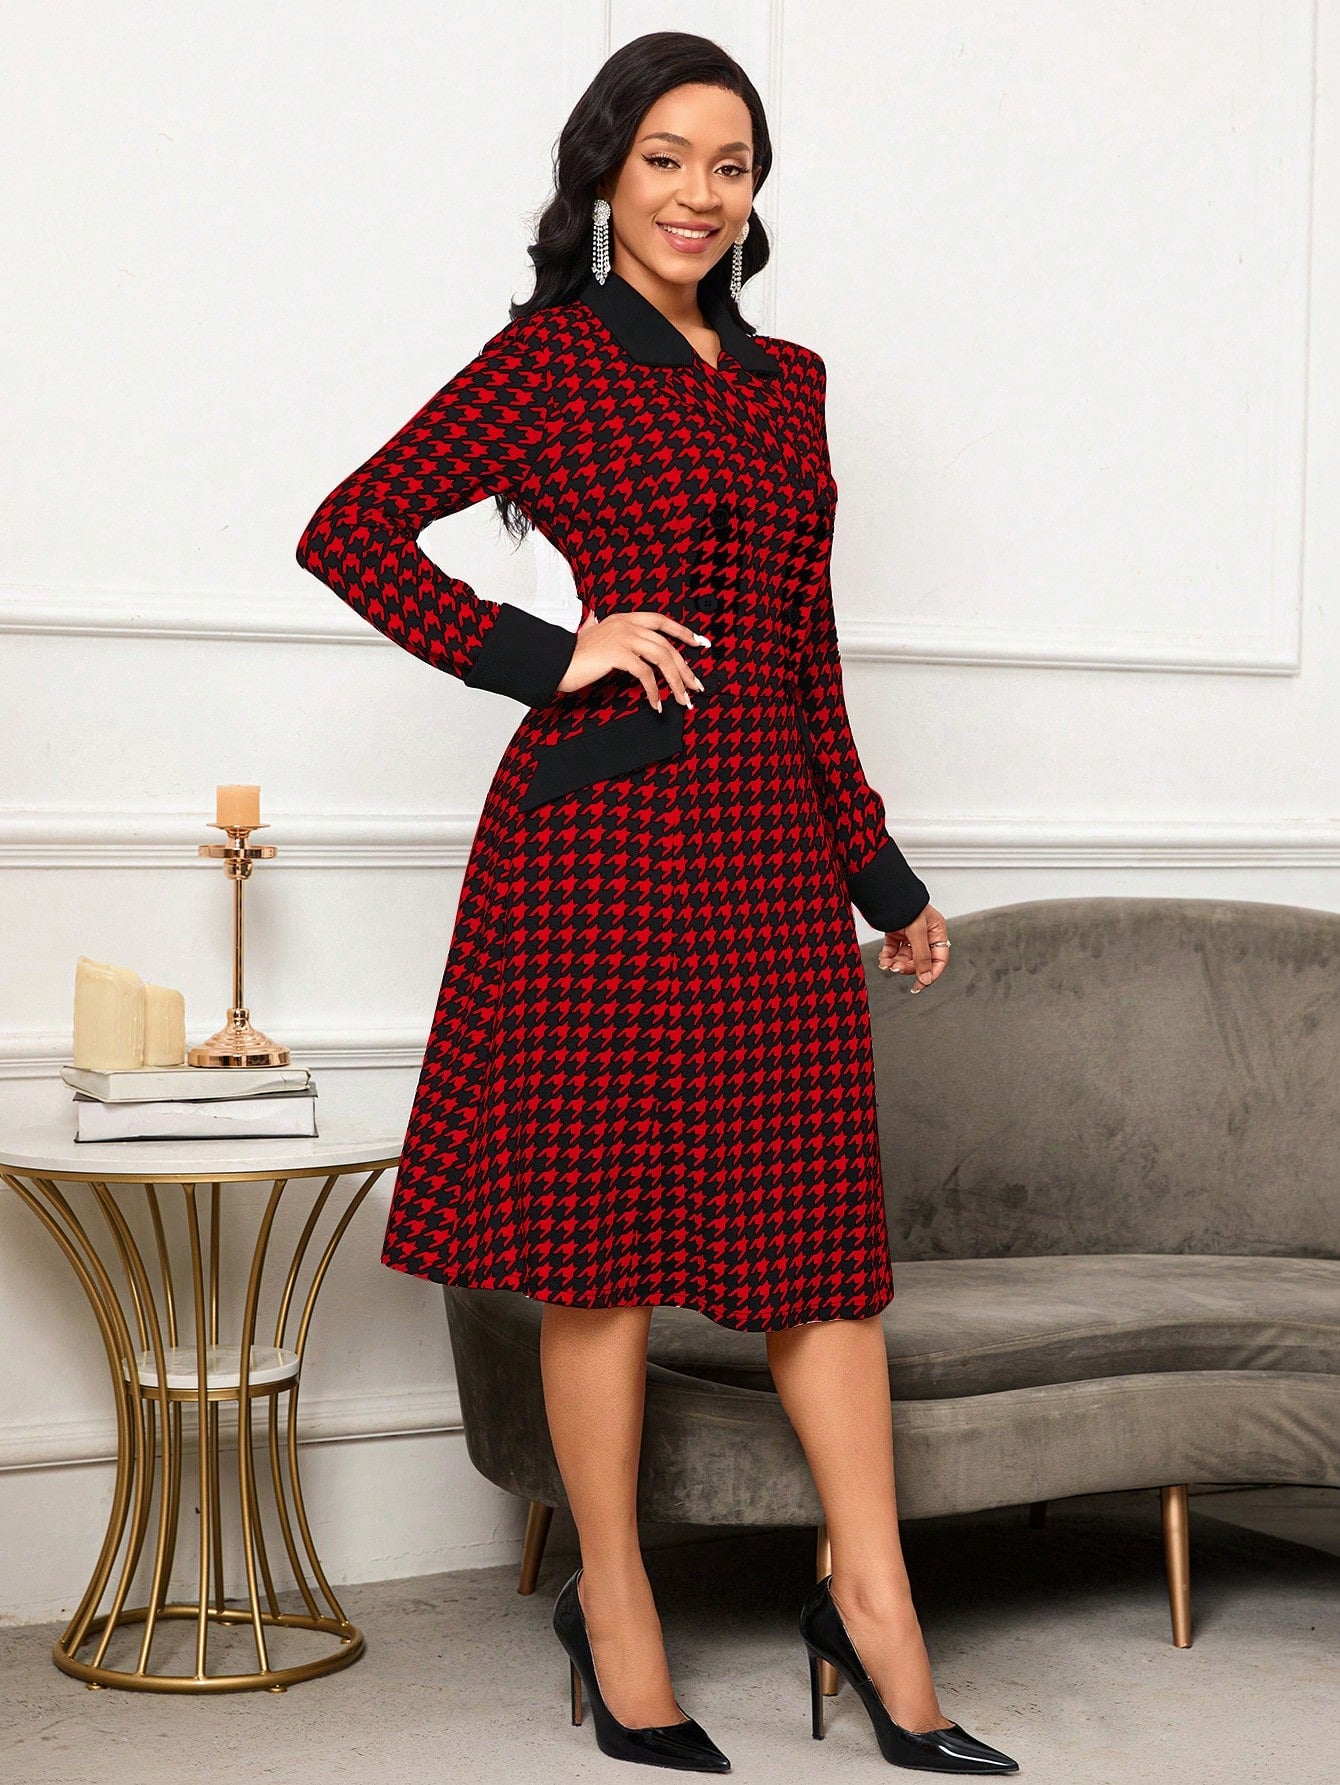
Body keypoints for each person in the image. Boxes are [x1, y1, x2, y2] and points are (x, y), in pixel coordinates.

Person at [296, 28, 1017, 1779]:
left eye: (732, 165)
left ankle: (875, 1606)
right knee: (598, 1253)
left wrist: (878, 869)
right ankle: (616, 1608)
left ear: (758, 192)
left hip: (766, 851)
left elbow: (799, 649)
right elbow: (351, 527)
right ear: (605, 174)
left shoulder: (789, 383)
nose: (701, 194)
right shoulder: (551, 357)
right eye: (667, 159)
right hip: (599, 855)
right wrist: (552, 651)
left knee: (817, 1245)